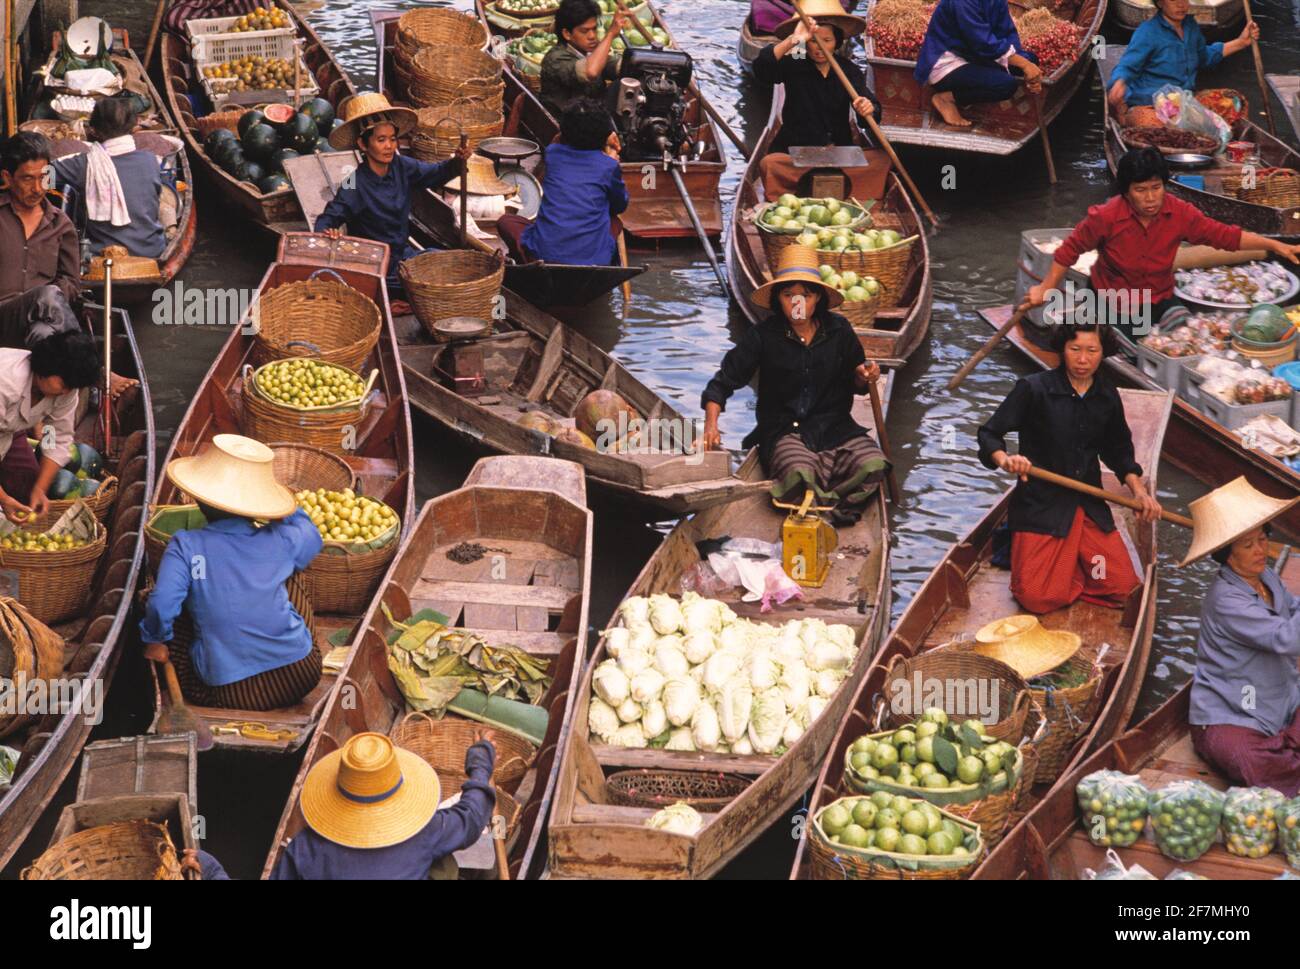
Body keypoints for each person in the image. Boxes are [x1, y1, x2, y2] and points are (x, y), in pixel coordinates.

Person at [1024, 148, 1300, 352]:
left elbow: (1225, 237)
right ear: (1127, 191)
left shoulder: (1180, 213)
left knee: (1189, 338)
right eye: (1141, 189)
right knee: (1130, 349)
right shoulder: (1106, 217)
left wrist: (1273, 244)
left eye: (1156, 188)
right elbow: (1069, 250)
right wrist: (1046, 288)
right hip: (1111, 302)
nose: (1150, 197)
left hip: (1159, 298)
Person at [977, 323, 1161, 615]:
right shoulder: (1034, 388)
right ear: (1063, 350)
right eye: (1075, 350)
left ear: (1103, 354)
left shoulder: (1106, 395)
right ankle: (1062, 566)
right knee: (1036, 598)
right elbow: (989, 434)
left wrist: (1140, 493)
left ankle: (1071, 562)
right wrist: (1006, 459)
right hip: (1041, 505)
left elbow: (1119, 451)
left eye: (1092, 351)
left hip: (1086, 502)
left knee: (1123, 588)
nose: (1083, 359)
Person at [701, 245, 888, 523]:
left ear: (818, 299)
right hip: (784, 431)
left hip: (835, 429)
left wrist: (866, 374)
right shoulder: (763, 336)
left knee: (875, 465)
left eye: (806, 295)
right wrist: (711, 426)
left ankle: (825, 507)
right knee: (798, 473)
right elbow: (723, 382)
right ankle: (821, 501)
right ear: (778, 299)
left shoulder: (839, 330)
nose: (797, 304)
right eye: (789, 295)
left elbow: (858, 381)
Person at [140, 435, 325, 712]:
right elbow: (311, 536)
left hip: (228, 690)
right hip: (300, 675)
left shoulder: (187, 546)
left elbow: (161, 603)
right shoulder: (280, 540)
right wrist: (281, 507)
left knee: (159, 603)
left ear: (200, 500)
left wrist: (155, 640)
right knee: (290, 571)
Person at [1178, 477, 1300, 797]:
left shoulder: (1266, 576)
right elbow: (1287, 638)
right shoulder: (1227, 600)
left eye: (1262, 539)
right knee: (1248, 758)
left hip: (1280, 698)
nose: (1261, 550)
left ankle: (1286, 746)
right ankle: (1285, 757)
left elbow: (1292, 607)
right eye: (1248, 546)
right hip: (1233, 712)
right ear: (1228, 557)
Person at [315, 92, 471, 313]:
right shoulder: (354, 183)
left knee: (452, 264)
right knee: (427, 286)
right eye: (381, 140)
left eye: (392, 139)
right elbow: (329, 217)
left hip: (403, 256)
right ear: (362, 144)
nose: (389, 146)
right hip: (377, 266)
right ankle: (390, 301)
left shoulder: (401, 166)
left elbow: (436, 172)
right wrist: (328, 234)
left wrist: (457, 161)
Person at [271, 731, 498, 879]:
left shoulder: (305, 846)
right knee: (445, 867)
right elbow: (471, 817)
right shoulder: (425, 833)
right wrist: (480, 761)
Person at [753, 8, 883, 200]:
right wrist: (794, 39)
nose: (820, 47)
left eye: (827, 41)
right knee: (769, 164)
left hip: (838, 154)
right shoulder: (795, 62)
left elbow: (869, 112)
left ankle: (842, 190)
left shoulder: (848, 70)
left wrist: (868, 107)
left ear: (837, 43)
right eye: (814, 41)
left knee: (882, 160)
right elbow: (762, 69)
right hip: (797, 152)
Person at [497, 99, 629, 267]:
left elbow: (558, 140)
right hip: (593, 260)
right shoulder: (609, 166)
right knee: (615, 221)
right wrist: (611, 156)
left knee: (506, 221)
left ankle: (524, 259)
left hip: (545, 254)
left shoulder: (554, 154)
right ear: (603, 138)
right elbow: (619, 206)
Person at [0, 332, 99, 524]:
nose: (67, 392)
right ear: (46, 368)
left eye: (72, 387)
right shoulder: (6, 383)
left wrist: (40, 489)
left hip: (9, 430)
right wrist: (4, 499)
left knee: (28, 483)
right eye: (65, 384)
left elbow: (55, 436)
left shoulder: (65, 390)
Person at [1107, 0, 1260, 123]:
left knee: (1234, 103)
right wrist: (1119, 83)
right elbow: (1127, 66)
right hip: (1151, 104)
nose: (1181, 4)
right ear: (1160, 3)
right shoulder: (1148, 32)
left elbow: (1204, 57)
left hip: (1186, 101)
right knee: (1155, 123)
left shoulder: (1191, 27)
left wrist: (1241, 42)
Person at [53, 97, 166, 260]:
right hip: (152, 250)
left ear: (93, 130)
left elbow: (42, 178)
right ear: (134, 126)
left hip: (102, 256)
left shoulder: (82, 165)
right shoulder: (150, 160)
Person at [0, 132, 81, 350]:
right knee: (47, 295)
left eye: (44, 177)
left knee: (44, 331)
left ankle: (77, 378)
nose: (38, 188)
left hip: (38, 322)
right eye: (28, 179)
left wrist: (46, 304)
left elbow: (72, 282)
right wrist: (44, 298)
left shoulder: (60, 224)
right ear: (8, 178)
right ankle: (99, 372)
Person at [915, 0, 1042, 128]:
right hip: (948, 62)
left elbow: (1007, 34)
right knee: (1006, 84)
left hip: (974, 55)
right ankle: (946, 99)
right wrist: (1025, 65)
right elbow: (983, 43)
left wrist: (1029, 70)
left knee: (1031, 59)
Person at [539, 0, 629, 118]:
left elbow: (617, 66)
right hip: (568, 126)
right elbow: (590, 72)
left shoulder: (589, 53)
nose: (592, 36)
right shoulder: (555, 59)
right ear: (567, 34)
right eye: (584, 31)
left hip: (591, 117)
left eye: (594, 29)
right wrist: (611, 33)